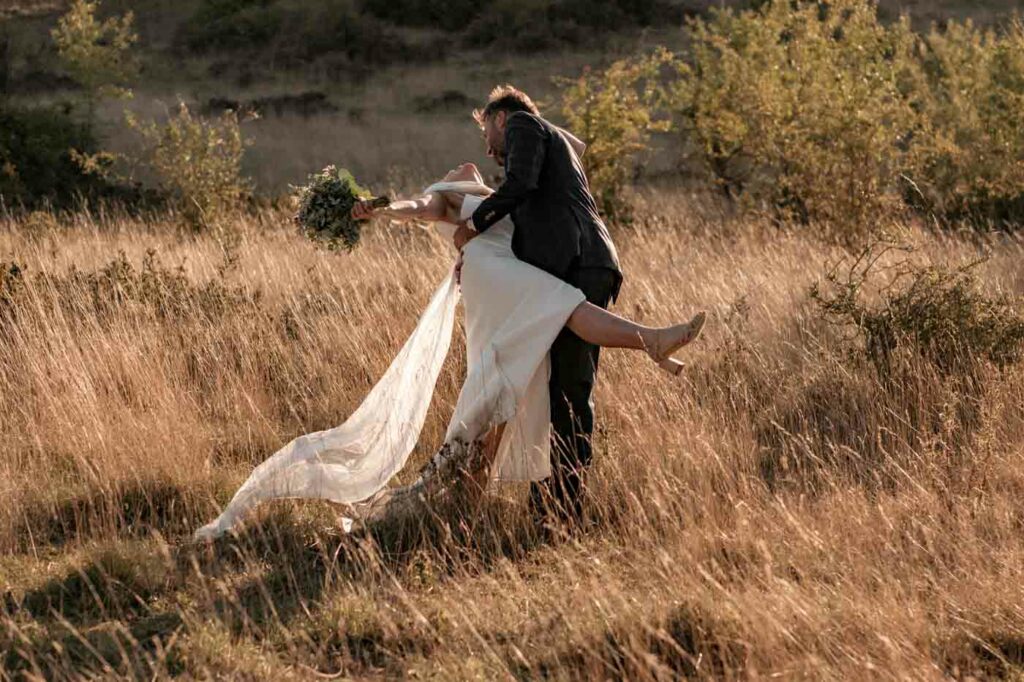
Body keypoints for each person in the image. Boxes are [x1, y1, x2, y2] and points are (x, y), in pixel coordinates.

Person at [193, 151, 704, 543]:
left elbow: (570, 148)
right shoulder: (450, 195)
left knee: (505, 387)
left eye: (488, 134)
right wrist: (385, 209)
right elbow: (421, 208)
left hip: (506, 281)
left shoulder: (506, 194)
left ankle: (462, 507)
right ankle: (651, 340)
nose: (477, 153)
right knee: (562, 307)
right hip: (492, 275)